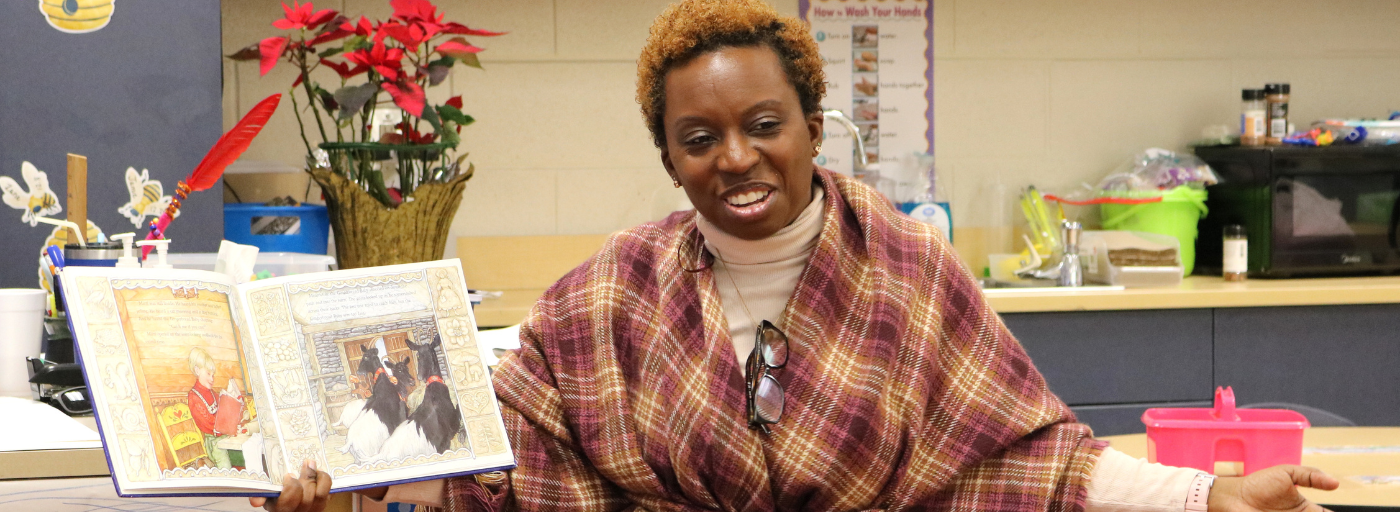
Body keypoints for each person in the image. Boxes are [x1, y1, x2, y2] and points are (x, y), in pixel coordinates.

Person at [253, 0, 1340, 510]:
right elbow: (499, 468)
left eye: (762, 123)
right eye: (697, 138)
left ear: (812, 125)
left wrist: (1207, 498)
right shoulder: (604, 296)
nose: (735, 158)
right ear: (666, 155)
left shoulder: (911, 270)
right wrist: (351, 493)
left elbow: (1024, 458)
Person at [188, 347, 243, 469]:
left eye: (213, 375)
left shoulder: (213, 393)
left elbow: (224, 411)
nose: (212, 379)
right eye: (208, 374)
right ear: (197, 370)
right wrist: (229, 426)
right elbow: (209, 423)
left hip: (225, 437)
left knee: (243, 454)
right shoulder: (194, 397)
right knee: (226, 468)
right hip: (214, 443)